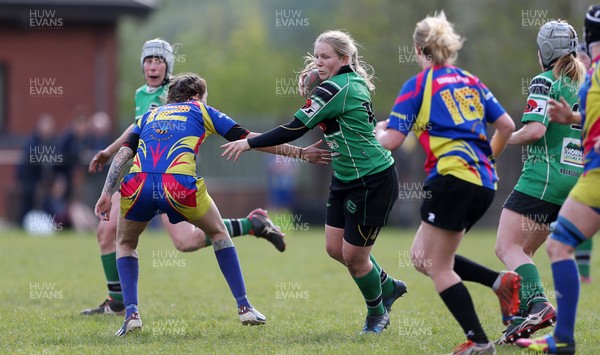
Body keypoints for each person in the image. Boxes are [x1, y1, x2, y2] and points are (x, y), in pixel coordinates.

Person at [82, 39, 318, 315]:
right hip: (146, 176)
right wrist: (108, 152)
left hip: (161, 177)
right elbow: (132, 134)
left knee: (186, 242)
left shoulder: (178, 102)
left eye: (159, 60)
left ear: (169, 66)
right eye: (148, 60)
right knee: (106, 232)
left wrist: (110, 173)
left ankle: (252, 224)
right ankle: (119, 302)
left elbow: (249, 138)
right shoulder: (144, 96)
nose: (153, 65)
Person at [222, 29, 407, 335]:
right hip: (345, 177)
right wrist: (313, 85)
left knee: (354, 257)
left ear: (344, 59)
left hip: (372, 179)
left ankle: (377, 313)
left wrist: (249, 143)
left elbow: (294, 128)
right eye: (316, 56)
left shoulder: (335, 88)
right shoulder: (347, 82)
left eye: (326, 57)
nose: (319, 62)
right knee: (335, 248)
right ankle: (386, 285)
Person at [374, 12, 516, 354]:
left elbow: (391, 141)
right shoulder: (471, 80)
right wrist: (485, 161)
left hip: (451, 181)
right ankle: (502, 283)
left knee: (439, 267)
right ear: (449, 47)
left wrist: (378, 130)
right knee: (422, 257)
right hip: (484, 182)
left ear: (417, 49)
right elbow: (507, 126)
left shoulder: (418, 85)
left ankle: (479, 343)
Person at [493, 21, 586, 345]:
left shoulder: (544, 81)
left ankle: (539, 306)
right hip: (574, 181)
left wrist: (503, 138)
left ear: (543, 52)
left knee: (506, 246)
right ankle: (520, 319)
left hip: (543, 178)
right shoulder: (584, 82)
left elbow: (534, 130)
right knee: (526, 251)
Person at [516, 5, 600, 353]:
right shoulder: (588, 72)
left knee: (554, 245)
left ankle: (561, 336)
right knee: (558, 243)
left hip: (582, 174)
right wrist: (573, 115)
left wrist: (500, 136)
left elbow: (534, 130)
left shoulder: (566, 75)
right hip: (587, 172)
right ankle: (561, 338)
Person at [574, 42, 594, 284]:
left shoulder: (593, 80)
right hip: (581, 154)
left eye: (582, 56)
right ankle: (583, 273)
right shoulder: (575, 85)